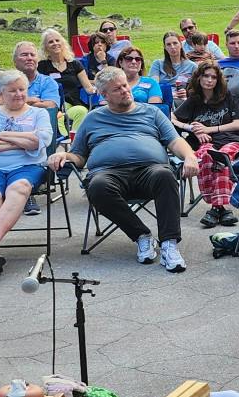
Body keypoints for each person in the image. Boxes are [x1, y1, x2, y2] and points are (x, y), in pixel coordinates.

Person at [48, 66, 195, 272]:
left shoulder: (151, 112)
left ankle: (169, 244)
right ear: (104, 94)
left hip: (149, 170)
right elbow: (79, 157)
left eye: (125, 85)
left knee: (165, 175)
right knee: (97, 186)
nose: (125, 90)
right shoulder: (93, 118)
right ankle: (141, 235)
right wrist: (63, 154)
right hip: (109, 174)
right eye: (117, 89)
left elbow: (174, 141)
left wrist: (189, 156)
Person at [0, 70, 53, 274]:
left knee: (20, 187)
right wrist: (22, 141)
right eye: (12, 91)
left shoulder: (38, 113)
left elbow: (39, 141)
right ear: (1, 93)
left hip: (27, 167)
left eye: (22, 89)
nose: (18, 94)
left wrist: (1, 135)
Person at [176, 59, 239, 227]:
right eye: (206, 76)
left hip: (231, 140)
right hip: (205, 145)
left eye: (213, 77)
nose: (209, 80)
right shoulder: (194, 100)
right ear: (198, 78)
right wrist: (191, 128)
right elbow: (171, 118)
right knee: (207, 156)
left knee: (221, 158)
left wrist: (209, 129)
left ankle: (216, 208)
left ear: (218, 80)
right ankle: (222, 209)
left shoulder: (226, 96)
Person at [38, 27, 94, 118]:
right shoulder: (41, 66)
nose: (55, 43)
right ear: (45, 47)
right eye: (51, 42)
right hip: (53, 105)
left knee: (81, 111)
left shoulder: (75, 64)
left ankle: (74, 132)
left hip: (73, 104)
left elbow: (88, 88)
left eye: (57, 40)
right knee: (58, 116)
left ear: (62, 43)